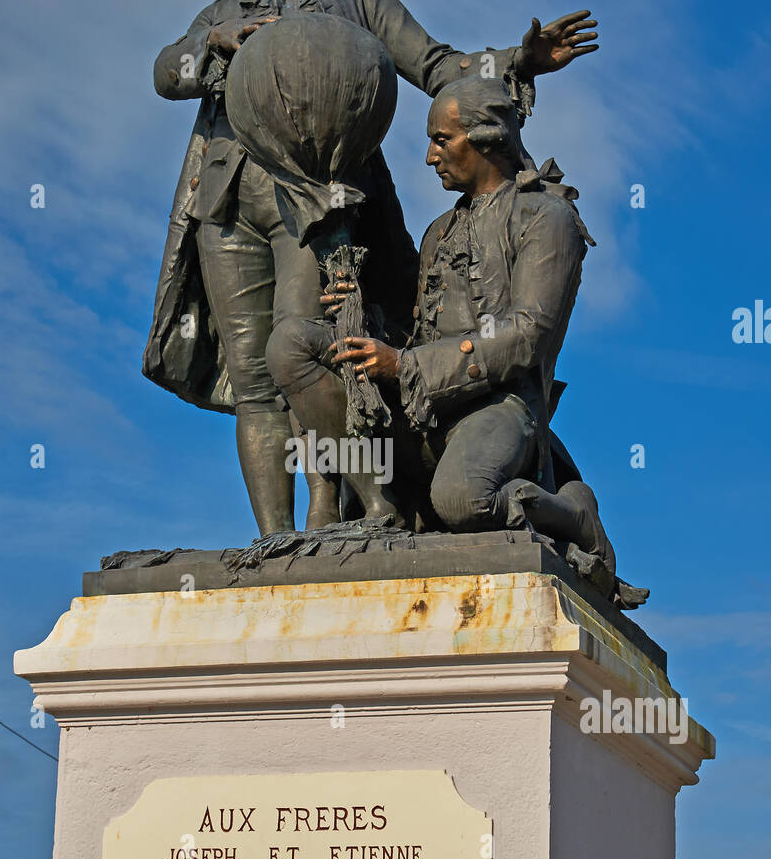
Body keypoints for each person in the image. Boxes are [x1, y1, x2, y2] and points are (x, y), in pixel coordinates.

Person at [144, 0, 600, 536]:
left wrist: (518, 60)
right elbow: (166, 74)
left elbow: (439, 67)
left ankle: (336, 511)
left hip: (321, 202)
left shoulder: (363, 3)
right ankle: (276, 538)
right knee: (253, 382)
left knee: (313, 350)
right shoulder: (226, 13)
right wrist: (210, 47)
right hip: (229, 200)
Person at [265, 76, 627, 602]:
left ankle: (572, 511)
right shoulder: (438, 231)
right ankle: (382, 504)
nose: (430, 156)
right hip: (424, 407)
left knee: (462, 501)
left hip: (500, 408)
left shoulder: (548, 218)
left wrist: (405, 367)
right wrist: (359, 322)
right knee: (291, 342)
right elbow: (416, 335)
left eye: (441, 140)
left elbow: (529, 335)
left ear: (486, 139)